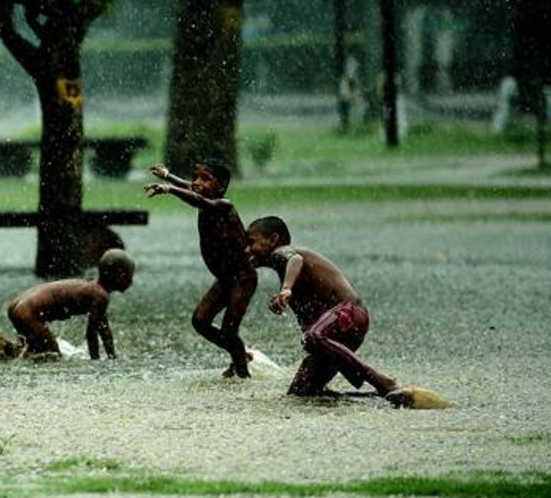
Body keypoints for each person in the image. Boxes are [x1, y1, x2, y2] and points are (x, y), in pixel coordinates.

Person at [245, 216, 415, 406]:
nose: (247, 250)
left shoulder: (282, 253)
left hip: (349, 314)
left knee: (312, 336)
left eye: (251, 242)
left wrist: (286, 289)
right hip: (336, 332)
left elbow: (295, 259)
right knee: (301, 394)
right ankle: (385, 399)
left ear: (273, 239)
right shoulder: (283, 270)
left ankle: (385, 383)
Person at [143, 160, 257, 378]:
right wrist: (168, 175)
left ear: (221, 186)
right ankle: (239, 355)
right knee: (200, 321)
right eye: (196, 177)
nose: (197, 182)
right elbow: (193, 190)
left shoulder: (224, 205)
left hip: (243, 277)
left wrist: (169, 188)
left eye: (205, 179)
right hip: (225, 278)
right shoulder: (202, 196)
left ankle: (243, 374)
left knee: (229, 330)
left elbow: (198, 200)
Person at [0, 248, 135, 360]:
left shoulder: (94, 291)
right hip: (28, 312)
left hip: (20, 305)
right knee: (53, 356)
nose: (131, 282)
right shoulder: (100, 296)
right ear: (121, 276)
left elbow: (104, 330)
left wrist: (112, 357)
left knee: (34, 352)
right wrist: (96, 362)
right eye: (130, 276)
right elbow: (91, 334)